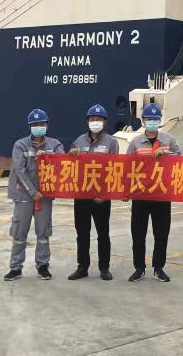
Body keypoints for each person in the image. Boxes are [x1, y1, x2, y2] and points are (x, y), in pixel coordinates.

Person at [4, 109, 64, 281]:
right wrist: (33, 192)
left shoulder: (54, 144)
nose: (39, 127)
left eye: (41, 124)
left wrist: (49, 156)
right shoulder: (20, 145)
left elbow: (64, 162)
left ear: (47, 125)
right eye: (35, 124)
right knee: (19, 233)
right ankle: (16, 267)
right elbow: (19, 170)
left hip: (45, 196)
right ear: (29, 126)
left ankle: (43, 266)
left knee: (43, 233)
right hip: (24, 195)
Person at [126, 103, 181, 283]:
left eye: (155, 119)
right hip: (140, 194)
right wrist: (126, 191)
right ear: (142, 120)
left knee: (161, 233)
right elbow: (126, 168)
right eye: (149, 119)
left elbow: (181, 161)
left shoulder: (169, 140)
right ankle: (139, 268)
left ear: (160, 121)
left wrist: (166, 155)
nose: (152, 122)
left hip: (161, 193)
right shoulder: (135, 142)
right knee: (138, 233)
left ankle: (159, 268)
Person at [67, 104, 119, 281]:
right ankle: (82, 267)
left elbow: (115, 169)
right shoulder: (78, 141)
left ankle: (104, 267)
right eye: (92, 119)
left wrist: (105, 194)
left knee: (103, 234)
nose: (95, 122)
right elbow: (70, 167)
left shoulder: (111, 142)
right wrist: (71, 154)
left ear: (105, 122)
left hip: (101, 197)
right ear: (87, 121)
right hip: (82, 195)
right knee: (82, 233)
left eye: (99, 119)